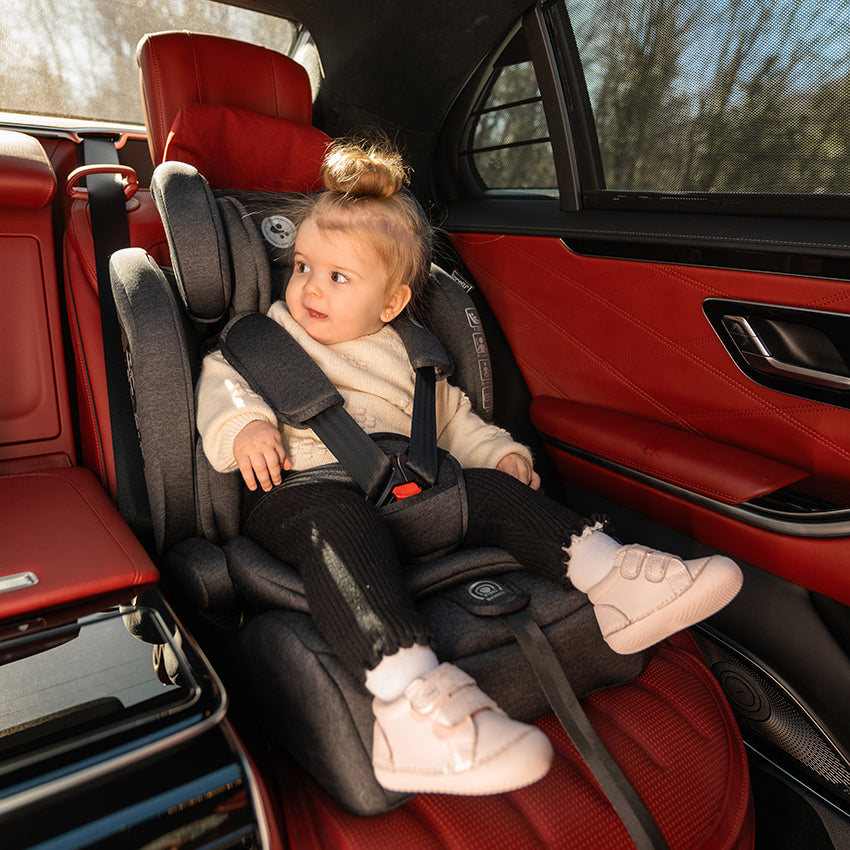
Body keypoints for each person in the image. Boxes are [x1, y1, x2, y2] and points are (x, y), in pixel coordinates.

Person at [196, 137, 743, 797]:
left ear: (391, 303)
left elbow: (452, 422)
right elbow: (224, 384)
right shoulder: (269, 337)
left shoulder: (411, 353)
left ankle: (615, 577)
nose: (310, 287)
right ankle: (408, 703)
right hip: (304, 493)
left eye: (338, 277)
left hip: (412, 492)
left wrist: (498, 454)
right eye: (303, 265)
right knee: (338, 523)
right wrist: (245, 426)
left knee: (488, 489)